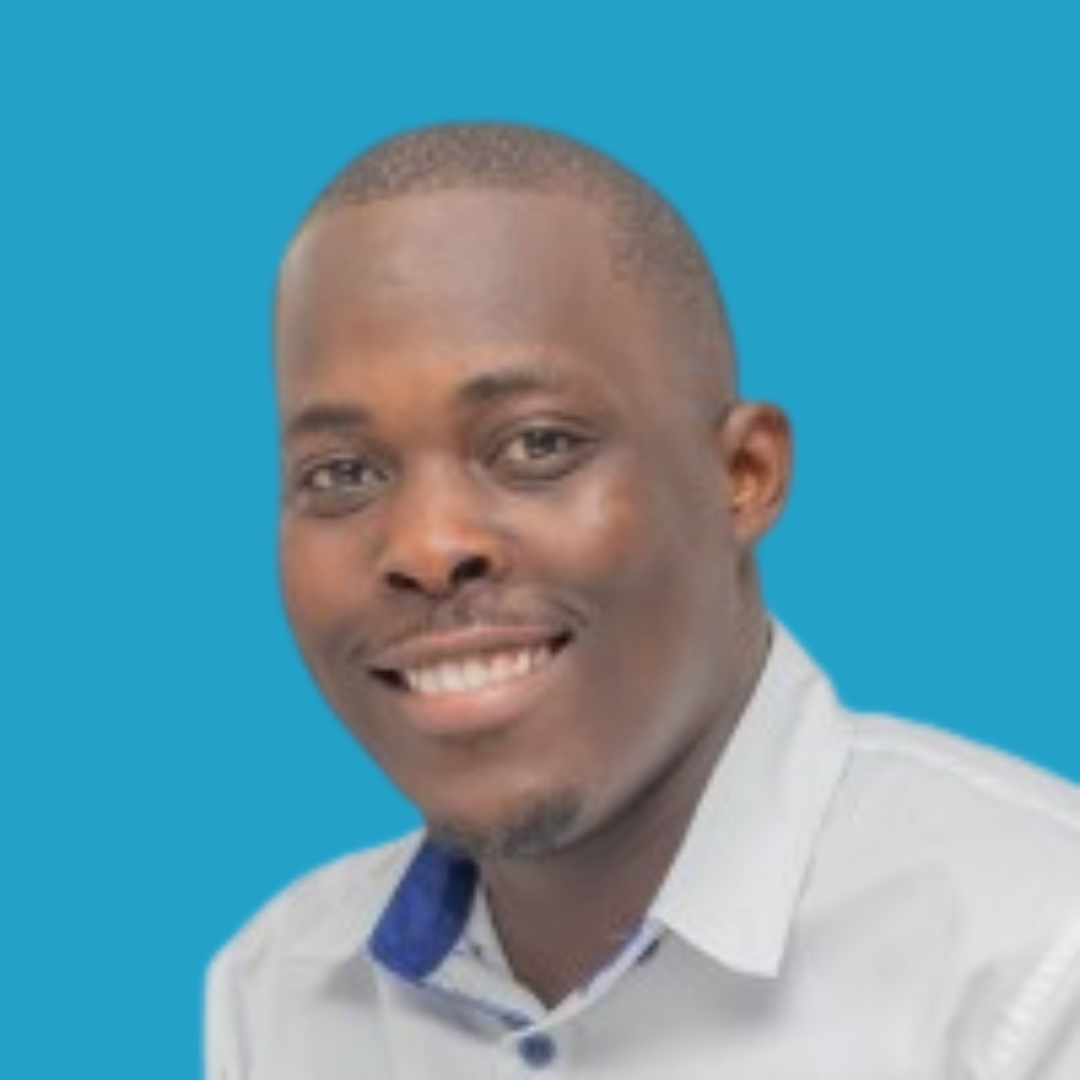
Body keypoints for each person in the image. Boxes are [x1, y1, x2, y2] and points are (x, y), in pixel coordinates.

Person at [205, 123, 1080, 1078]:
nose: (426, 546)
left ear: (741, 475)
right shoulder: (282, 990)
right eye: (340, 472)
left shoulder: (1037, 962)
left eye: (536, 445)